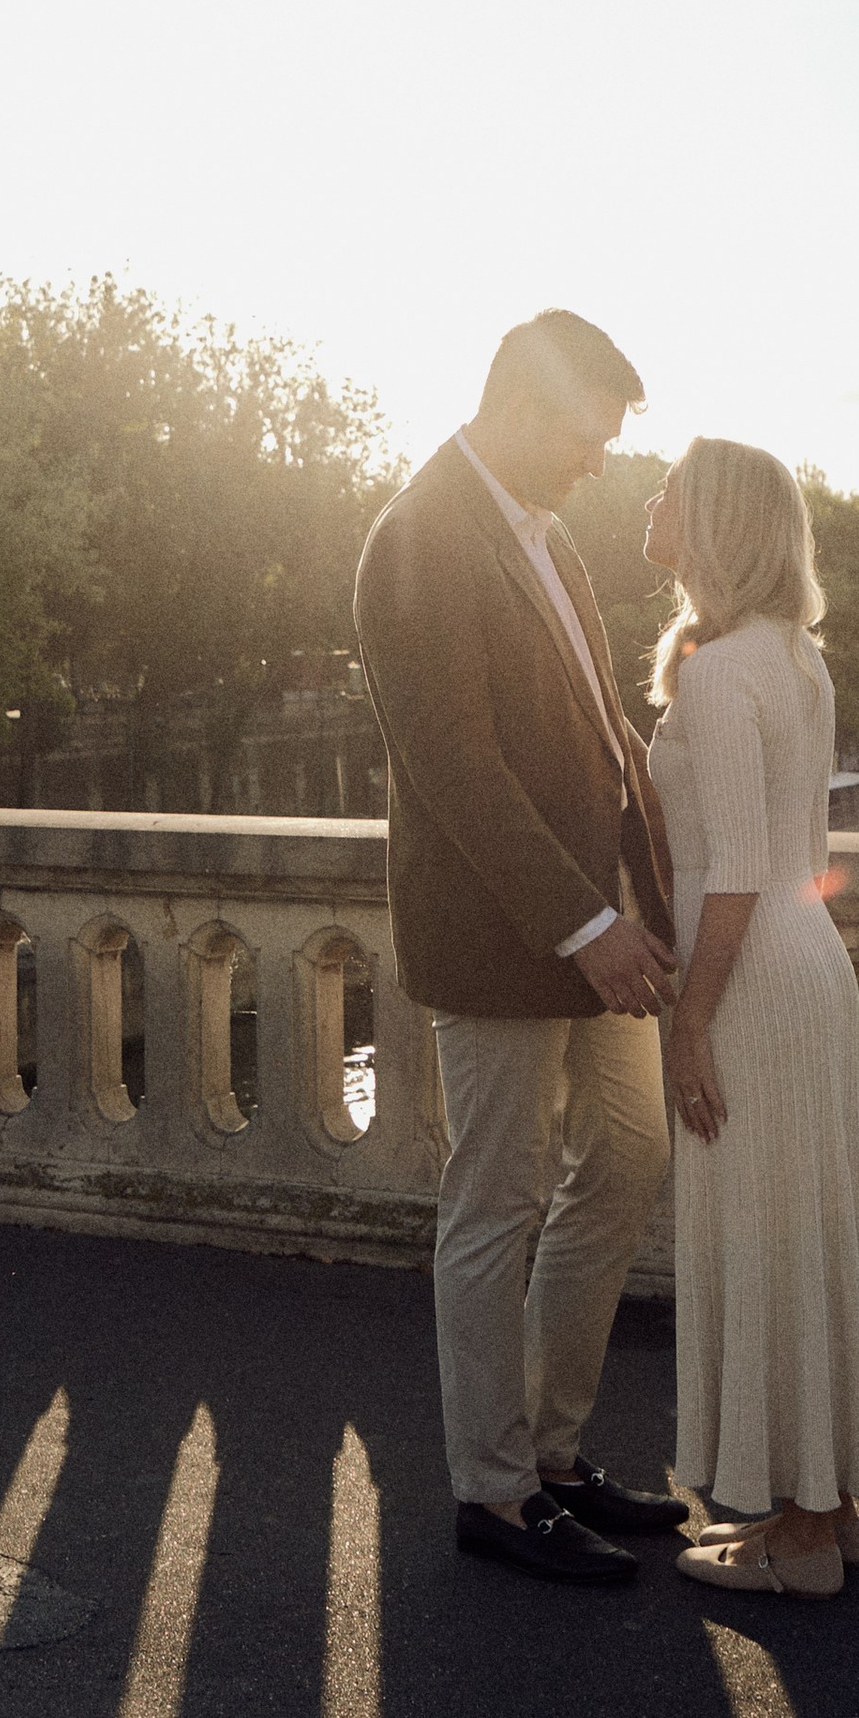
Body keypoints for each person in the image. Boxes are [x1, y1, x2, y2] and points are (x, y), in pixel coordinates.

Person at [353, 311, 688, 1587]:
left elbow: (607, 746)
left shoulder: (540, 539)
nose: (600, 464)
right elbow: (457, 769)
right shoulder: (420, 537)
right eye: (588, 435)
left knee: (629, 1159)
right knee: (492, 1201)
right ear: (519, 406)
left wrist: (657, 887)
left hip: (598, 923)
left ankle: (551, 1453)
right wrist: (591, 922)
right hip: (505, 936)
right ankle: (492, 1494)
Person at [644, 438, 859, 1598]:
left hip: (747, 974)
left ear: (712, 522)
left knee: (759, 1236)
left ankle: (801, 1539)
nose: (646, 499)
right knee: (806, 1234)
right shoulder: (791, 656)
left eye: (668, 490)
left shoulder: (714, 671)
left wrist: (688, 1024)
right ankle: (821, 1508)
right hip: (807, 958)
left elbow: (735, 869)